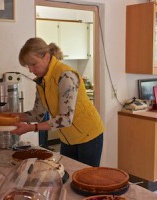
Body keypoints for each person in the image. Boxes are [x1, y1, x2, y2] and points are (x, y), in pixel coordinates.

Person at [11, 37, 104, 167]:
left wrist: (31, 128)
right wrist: (12, 117)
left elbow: (65, 119)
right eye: (28, 66)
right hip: (67, 137)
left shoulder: (65, 75)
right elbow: (37, 114)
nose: (30, 70)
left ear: (47, 58)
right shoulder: (41, 81)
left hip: (88, 135)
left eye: (33, 64)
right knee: (66, 176)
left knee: (86, 180)